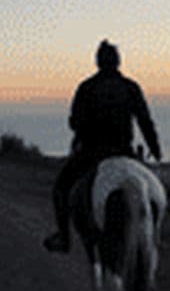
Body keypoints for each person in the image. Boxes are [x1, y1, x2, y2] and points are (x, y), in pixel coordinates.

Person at [43, 41, 163, 253]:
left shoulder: (86, 87)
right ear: (118, 62)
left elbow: (75, 123)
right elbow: (145, 120)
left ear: (98, 62)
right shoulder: (130, 87)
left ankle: (64, 238)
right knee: (155, 189)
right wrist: (155, 148)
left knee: (61, 188)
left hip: (92, 153)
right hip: (124, 151)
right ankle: (155, 236)